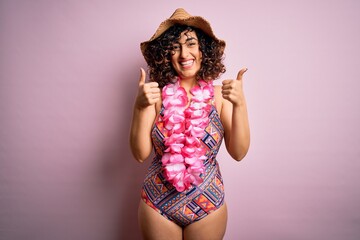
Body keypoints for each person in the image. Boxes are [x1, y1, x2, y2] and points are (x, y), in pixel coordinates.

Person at [129, 8, 250, 240]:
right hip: (158, 205)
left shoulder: (220, 96)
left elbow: (239, 152)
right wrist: (139, 106)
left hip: (208, 206)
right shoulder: (156, 96)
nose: (184, 53)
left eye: (191, 43)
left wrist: (240, 104)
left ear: (203, 50)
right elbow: (140, 154)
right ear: (166, 55)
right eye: (175, 47)